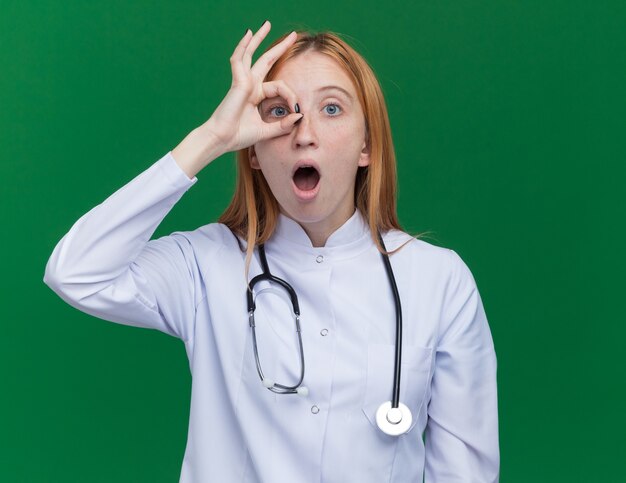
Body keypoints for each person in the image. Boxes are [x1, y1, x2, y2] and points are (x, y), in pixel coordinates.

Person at [44, 19, 499, 482]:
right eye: (282, 111)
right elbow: (76, 272)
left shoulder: (439, 281)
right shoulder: (205, 265)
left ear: (366, 145)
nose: (305, 134)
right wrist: (212, 138)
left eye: (332, 109)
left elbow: (466, 473)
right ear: (255, 150)